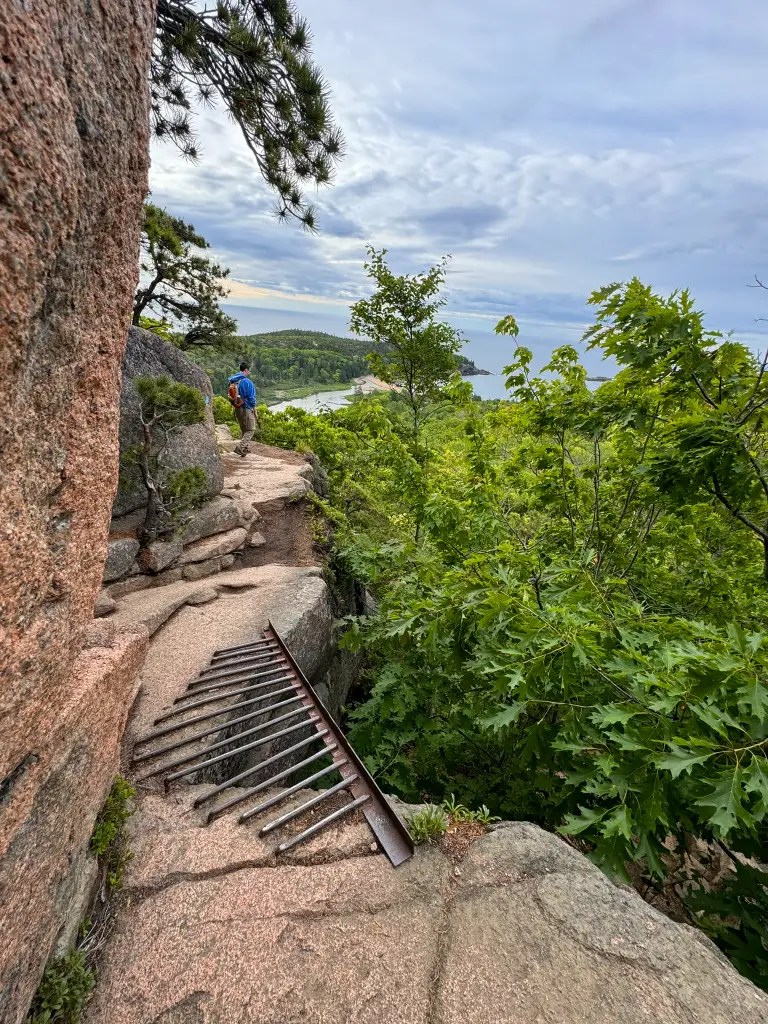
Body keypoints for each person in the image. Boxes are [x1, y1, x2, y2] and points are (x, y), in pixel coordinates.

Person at [228, 362, 258, 457]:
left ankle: (244, 449)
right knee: (250, 429)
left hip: (237, 407)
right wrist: (254, 408)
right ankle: (240, 448)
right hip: (246, 407)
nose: (249, 372)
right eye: (248, 370)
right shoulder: (247, 382)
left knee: (244, 428)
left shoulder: (233, 380)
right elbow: (251, 397)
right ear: (245, 370)